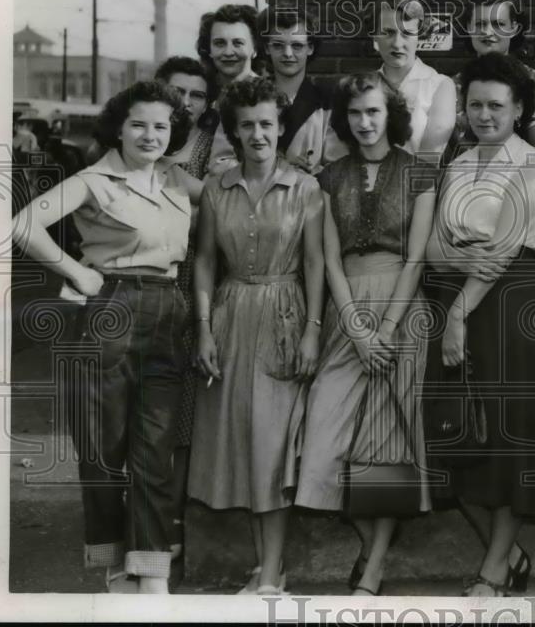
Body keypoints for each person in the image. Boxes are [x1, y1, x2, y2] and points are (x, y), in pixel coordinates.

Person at [11, 81, 202, 593]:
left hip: (168, 311)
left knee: (154, 450)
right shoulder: (94, 180)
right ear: (119, 126)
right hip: (109, 312)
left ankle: (151, 572)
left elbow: (229, 202)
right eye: (139, 123)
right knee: (103, 450)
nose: (150, 134)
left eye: (162, 125)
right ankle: (116, 567)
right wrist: (80, 273)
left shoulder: (176, 179)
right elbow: (24, 224)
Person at [292, 73, 437, 596]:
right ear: (344, 119)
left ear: (390, 114)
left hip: (402, 311)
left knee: (390, 447)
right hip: (348, 312)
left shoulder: (420, 173)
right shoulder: (329, 177)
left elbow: (417, 256)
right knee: (321, 440)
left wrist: (389, 329)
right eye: (355, 113)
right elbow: (329, 258)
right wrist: (356, 329)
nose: (365, 122)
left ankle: (373, 568)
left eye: (373, 111)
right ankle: (368, 551)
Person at [424, 52, 535, 597]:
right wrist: (454, 269)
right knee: (452, 436)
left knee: (506, 439)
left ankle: (495, 570)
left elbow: (501, 252)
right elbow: (432, 246)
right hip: (456, 299)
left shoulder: (531, 165)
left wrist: (457, 311)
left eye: (496, 105)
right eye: (474, 104)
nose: (484, 115)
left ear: (519, 108)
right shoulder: (457, 163)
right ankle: (511, 556)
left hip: (507, 307)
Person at [187, 76, 324, 595]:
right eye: (247, 126)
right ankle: (265, 566)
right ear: (235, 133)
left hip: (284, 317)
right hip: (230, 316)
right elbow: (203, 260)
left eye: (267, 123)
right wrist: (203, 328)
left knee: (273, 446)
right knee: (243, 442)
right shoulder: (217, 190)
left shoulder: (306, 187)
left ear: (281, 126)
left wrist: (312, 330)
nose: (258, 134)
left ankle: (272, 574)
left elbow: (314, 263)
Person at [152, 55, 217, 563]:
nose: (187, 103)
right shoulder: (142, 134)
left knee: (182, 412)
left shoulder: (206, 143)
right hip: (146, 276)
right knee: (143, 407)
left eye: (197, 95)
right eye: (179, 92)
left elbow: (219, 202)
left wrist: (173, 176)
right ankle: (143, 522)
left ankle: (171, 525)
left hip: (192, 274)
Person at [447, 0, 535, 163]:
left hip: (521, 184)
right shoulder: (450, 88)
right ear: (468, 27)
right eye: (480, 24)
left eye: (498, 24)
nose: (488, 32)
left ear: (513, 27)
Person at [257, 3, 346, 174]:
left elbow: (339, 168)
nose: (288, 54)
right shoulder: (251, 96)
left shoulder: (328, 101)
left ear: (310, 48)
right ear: (267, 48)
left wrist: (309, 173)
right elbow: (222, 162)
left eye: (297, 46)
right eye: (278, 45)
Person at [370, 0, 456, 166]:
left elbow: (429, 159)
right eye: (388, 32)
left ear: (419, 35)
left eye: (407, 33)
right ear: (375, 36)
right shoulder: (364, 87)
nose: (397, 43)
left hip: (416, 189)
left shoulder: (439, 86)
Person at [198, 4, 263, 174]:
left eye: (238, 43)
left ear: (254, 49)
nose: (228, 52)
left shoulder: (265, 96)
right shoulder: (203, 94)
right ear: (209, 49)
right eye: (219, 43)